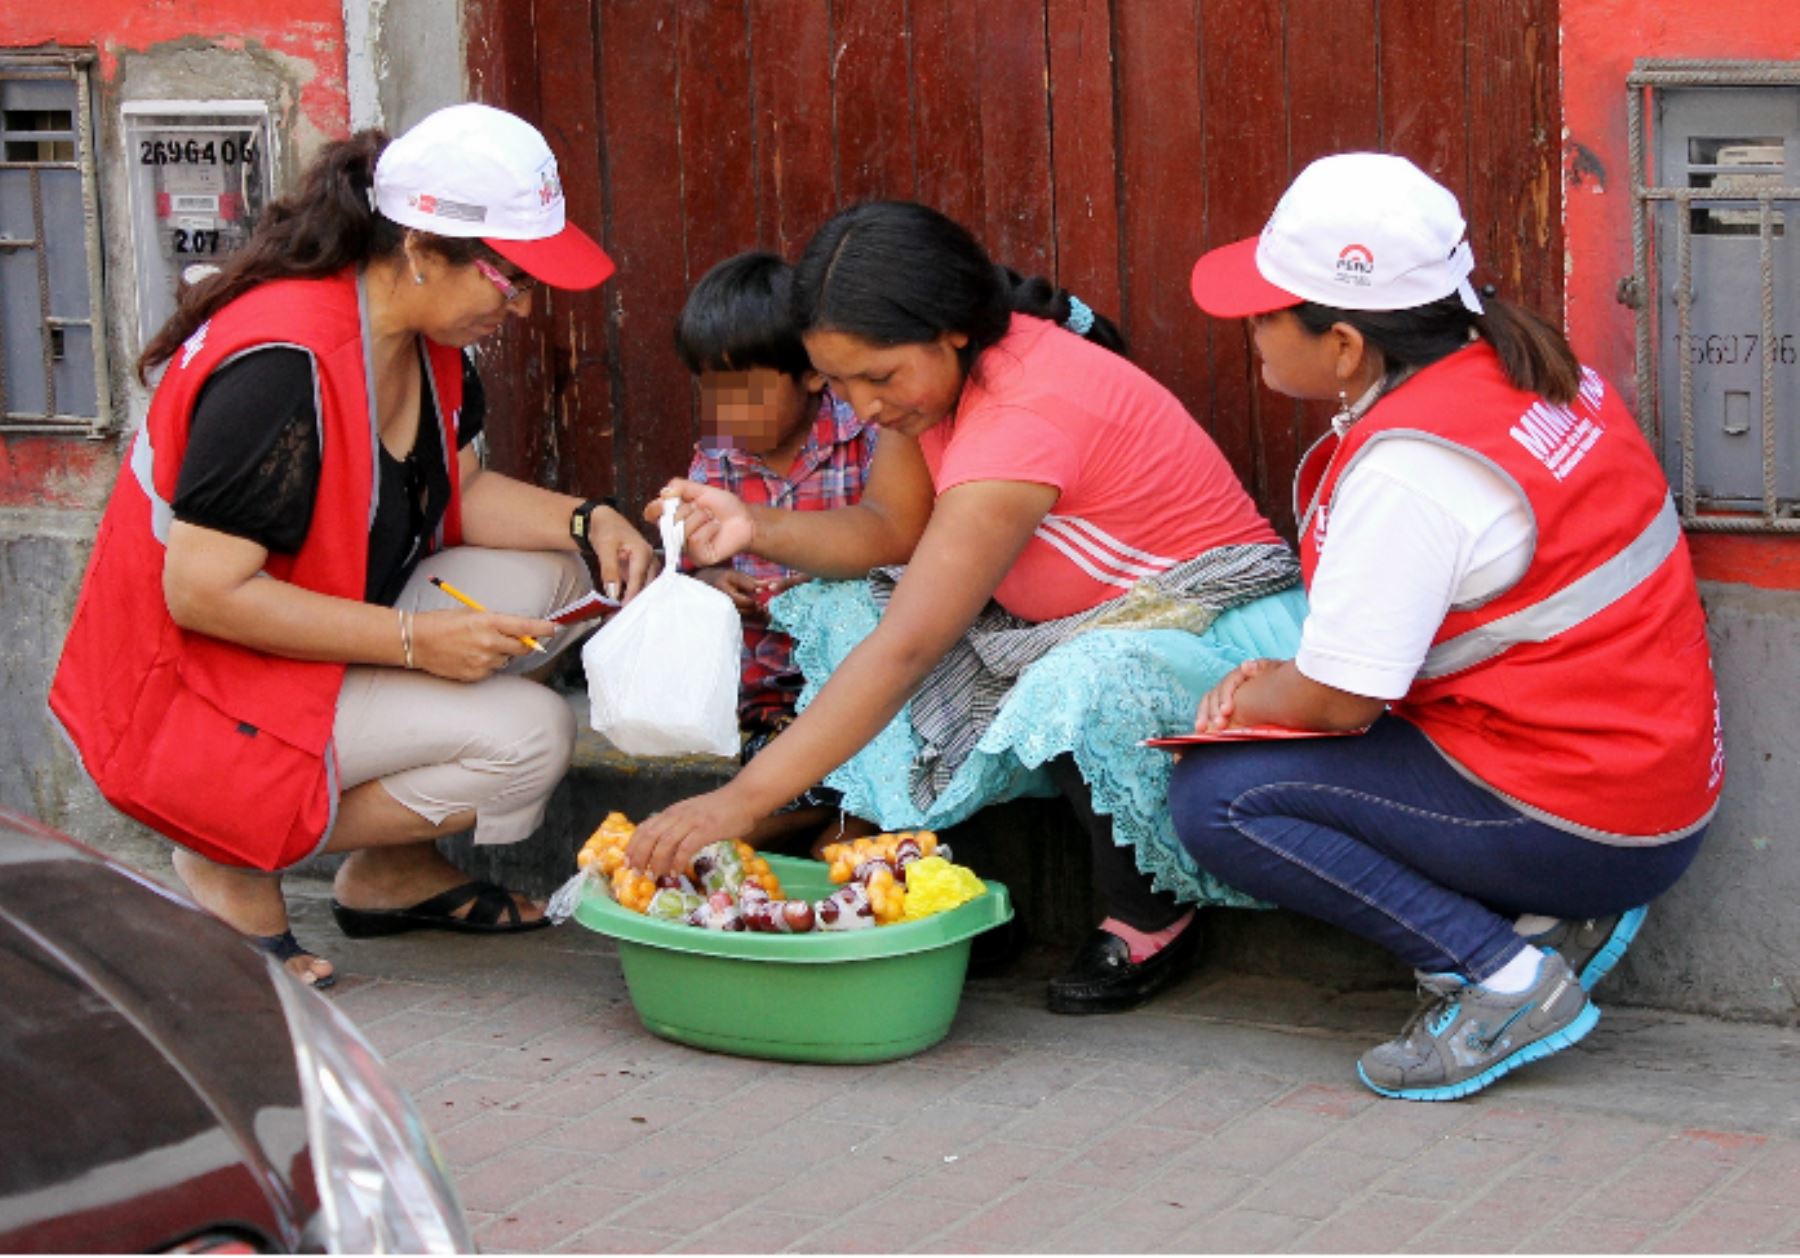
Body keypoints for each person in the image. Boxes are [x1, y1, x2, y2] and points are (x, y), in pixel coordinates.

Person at [628, 201, 1308, 1014]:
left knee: (1074, 675)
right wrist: (752, 525)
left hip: (1209, 627)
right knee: (849, 607)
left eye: (876, 378)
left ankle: (1149, 909)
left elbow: (910, 646)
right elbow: (890, 529)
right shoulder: (923, 391)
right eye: (839, 381)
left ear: (952, 331)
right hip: (1058, 621)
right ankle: (936, 878)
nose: (864, 407)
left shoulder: (1021, 411)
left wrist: (738, 802)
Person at [50, 103, 656, 989]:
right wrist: (418, 644)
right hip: (187, 685)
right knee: (528, 736)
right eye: (508, 278)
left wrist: (590, 519)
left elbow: (460, 493)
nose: (520, 308)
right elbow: (205, 593)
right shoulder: (278, 368)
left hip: (289, 644)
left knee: (564, 573)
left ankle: (390, 873)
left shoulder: (422, 334)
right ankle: (223, 846)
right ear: (419, 248)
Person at [1174, 152, 1722, 1099]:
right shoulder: (1520, 367)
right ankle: (1545, 924)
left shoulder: (1412, 465)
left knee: (1218, 796)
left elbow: (1342, 703)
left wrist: (1258, 691)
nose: (1251, 330)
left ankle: (1503, 978)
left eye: (1266, 312)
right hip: (1649, 787)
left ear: (1345, 344)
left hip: (1586, 819)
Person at [674, 251, 881, 850]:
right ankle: (836, 811)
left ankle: (856, 818)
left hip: (864, 691)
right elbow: (690, 566)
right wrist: (714, 582)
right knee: (741, 837)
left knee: (840, 843)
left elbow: (903, 550)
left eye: (747, 392)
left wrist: (825, 587)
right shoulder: (715, 461)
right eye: (712, 391)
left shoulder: (866, 440)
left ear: (814, 372)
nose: (727, 413)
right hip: (771, 699)